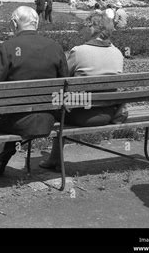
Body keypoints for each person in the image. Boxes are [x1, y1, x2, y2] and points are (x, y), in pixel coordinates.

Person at [0, 6, 69, 177]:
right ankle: (2, 158)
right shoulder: (55, 47)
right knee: (17, 110)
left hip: (15, 121)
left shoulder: (8, 47)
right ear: (37, 24)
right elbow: (66, 83)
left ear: (14, 23)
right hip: (45, 120)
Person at [39, 11, 127, 170]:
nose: (82, 30)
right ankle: (54, 158)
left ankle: (55, 159)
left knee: (57, 104)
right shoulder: (118, 53)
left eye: (85, 26)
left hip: (81, 114)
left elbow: (63, 79)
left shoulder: (79, 52)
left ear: (94, 28)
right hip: (107, 113)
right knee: (65, 101)